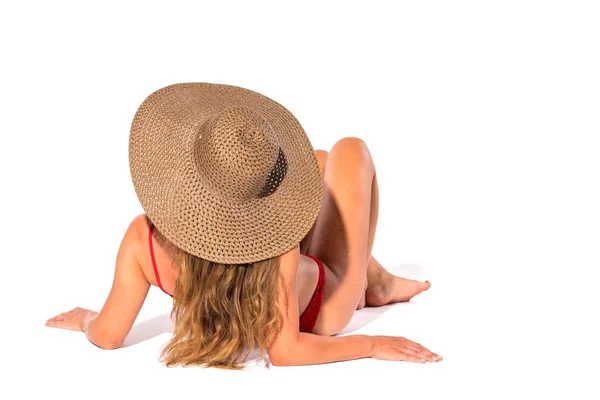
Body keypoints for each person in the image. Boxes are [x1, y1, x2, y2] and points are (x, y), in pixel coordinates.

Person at [45, 82, 442, 369]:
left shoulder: (141, 238)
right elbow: (287, 350)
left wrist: (85, 319)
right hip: (321, 307)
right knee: (348, 151)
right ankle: (376, 285)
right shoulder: (277, 239)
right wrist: (371, 345)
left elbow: (109, 334)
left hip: (273, 296)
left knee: (317, 164)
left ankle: (379, 277)